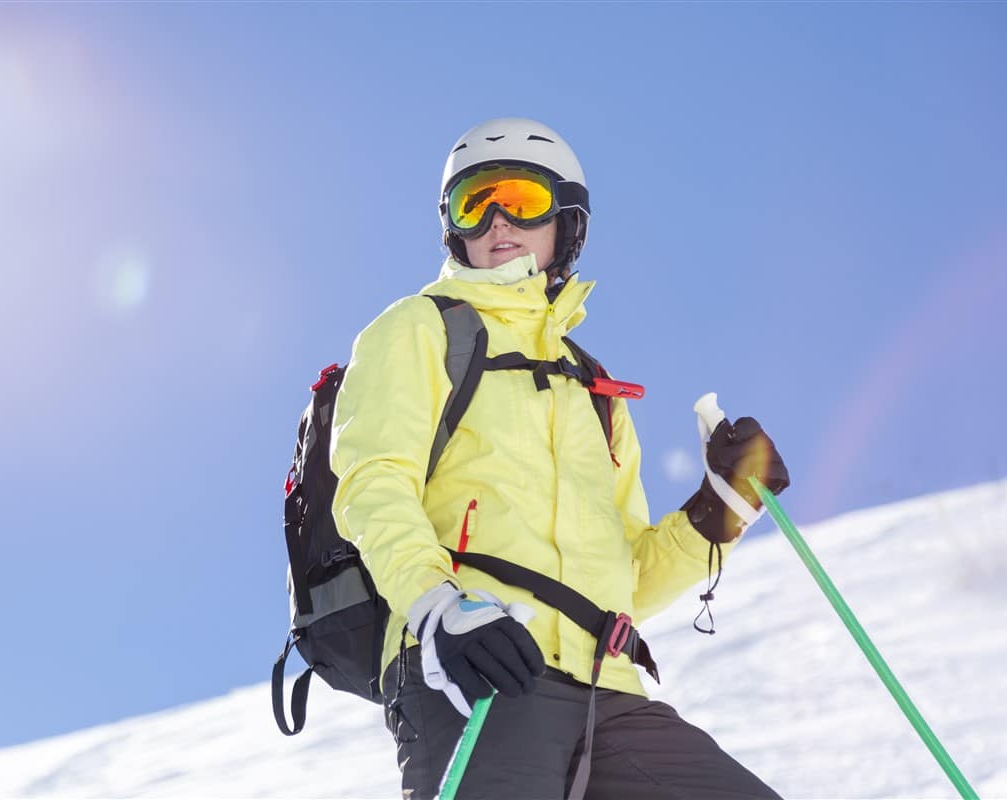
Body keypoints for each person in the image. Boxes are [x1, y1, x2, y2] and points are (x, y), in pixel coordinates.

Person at [329, 118, 790, 800]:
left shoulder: (595, 388)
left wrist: (716, 513)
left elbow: (624, 577)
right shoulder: (418, 328)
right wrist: (439, 606)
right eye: (473, 204)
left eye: (522, 198)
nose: (497, 220)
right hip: (477, 667)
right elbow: (372, 484)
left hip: (612, 690)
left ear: (566, 222)